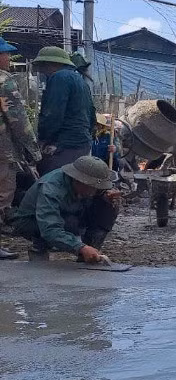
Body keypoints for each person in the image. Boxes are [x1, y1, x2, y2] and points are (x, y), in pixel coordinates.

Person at [10, 156, 121, 263]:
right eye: (93, 187)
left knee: (108, 206)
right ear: (79, 181)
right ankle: (40, 246)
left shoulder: (85, 189)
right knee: (68, 223)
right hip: (32, 221)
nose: (95, 190)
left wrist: (105, 198)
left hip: (71, 212)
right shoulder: (50, 189)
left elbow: (99, 199)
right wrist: (79, 247)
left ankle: (90, 251)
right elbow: (50, 228)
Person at [0, 37, 41, 260]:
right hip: (2, 150)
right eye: (5, 54)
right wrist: (33, 150)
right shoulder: (4, 81)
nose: (8, 58)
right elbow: (18, 120)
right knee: (2, 194)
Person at [33, 46, 95, 175]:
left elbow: (52, 114)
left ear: (50, 64)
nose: (42, 71)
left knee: (52, 184)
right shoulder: (81, 81)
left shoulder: (59, 78)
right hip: (81, 144)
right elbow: (92, 115)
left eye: (42, 67)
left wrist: (43, 139)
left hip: (64, 145)